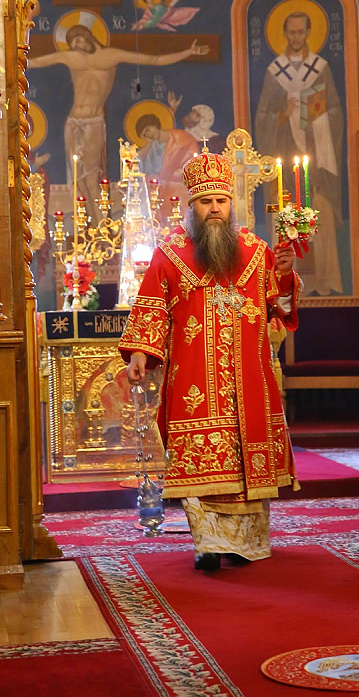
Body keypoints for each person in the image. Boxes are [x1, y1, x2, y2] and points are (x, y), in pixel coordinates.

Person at [121, 149, 301, 570]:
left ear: (230, 204)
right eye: (206, 202)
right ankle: (207, 544)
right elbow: (150, 310)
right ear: (192, 207)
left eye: (221, 200)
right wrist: (140, 353)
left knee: (243, 461)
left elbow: (280, 309)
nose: (215, 208)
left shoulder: (256, 251)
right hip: (194, 383)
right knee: (200, 464)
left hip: (250, 379)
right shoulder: (169, 254)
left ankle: (244, 544)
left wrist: (285, 273)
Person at [28, 25, 209, 218]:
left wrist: (188, 52)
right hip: (73, 122)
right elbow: (35, 62)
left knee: (90, 178)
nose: (79, 46)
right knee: (78, 180)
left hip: (93, 122)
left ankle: (101, 227)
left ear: (88, 36)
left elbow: (154, 60)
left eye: (80, 40)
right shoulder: (70, 57)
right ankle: (89, 228)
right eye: (74, 44)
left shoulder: (111, 55)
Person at [255, 10, 344, 295]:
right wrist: (283, 115)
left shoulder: (320, 68)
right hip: (282, 162)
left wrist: (315, 115)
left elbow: (335, 112)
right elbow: (262, 118)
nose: (296, 37)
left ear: (308, 33)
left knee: (321, 210)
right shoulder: (275, 72)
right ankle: (279, 283)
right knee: (281, 214)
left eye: (300, 32)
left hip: (315, 163)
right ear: (284, 34)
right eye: (291, 32)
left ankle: (324, 281)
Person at [136, 112, 199, 211]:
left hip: (179, 187)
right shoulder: (152, 147)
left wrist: (168, 176)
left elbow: (193, 166)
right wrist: (149, 142)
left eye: (148, 130)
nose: (149, 134)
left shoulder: (182, 137)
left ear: (154, 125)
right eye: (145, 135)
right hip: (160, 191)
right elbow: (138, 163)